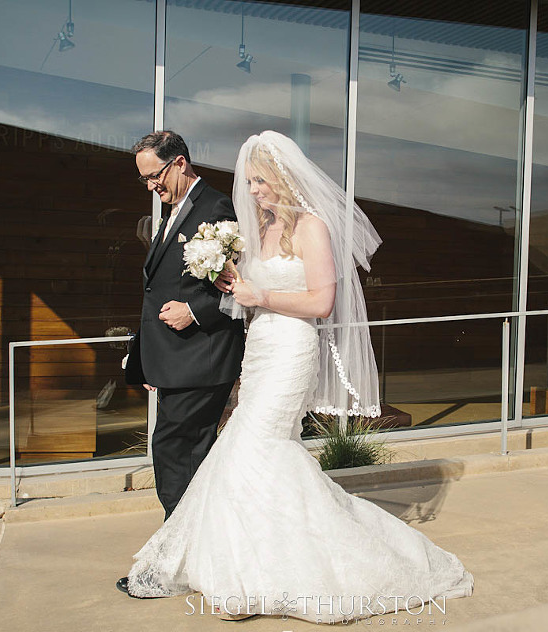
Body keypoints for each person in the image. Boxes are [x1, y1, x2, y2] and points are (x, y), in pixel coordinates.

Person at [120, 131, 474, 623]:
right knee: (252, 458)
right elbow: (244, 295)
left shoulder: (312, 227)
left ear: (284, 179)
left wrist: (258, 297)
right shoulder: (259, 231)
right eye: (250, 182)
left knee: (251, 449)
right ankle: (246, 568)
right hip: (260, 351)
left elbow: (321, 304)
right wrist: (233, 288)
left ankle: (252, 576)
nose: (254, 191)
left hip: (291, 351)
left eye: (260, 181)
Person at [123, 131, 245, 522]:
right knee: (178, 452)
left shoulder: (216, 208)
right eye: (143, 179)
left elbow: (239, 285)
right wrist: (144, 355)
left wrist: (194, 311)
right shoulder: (170, 211)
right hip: (174, 359)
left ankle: (179, 548)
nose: (151, 184)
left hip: (201, 357)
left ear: (179, 162)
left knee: (177, 451)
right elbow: (158, 289)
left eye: (155, 175)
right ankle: (190, 544)